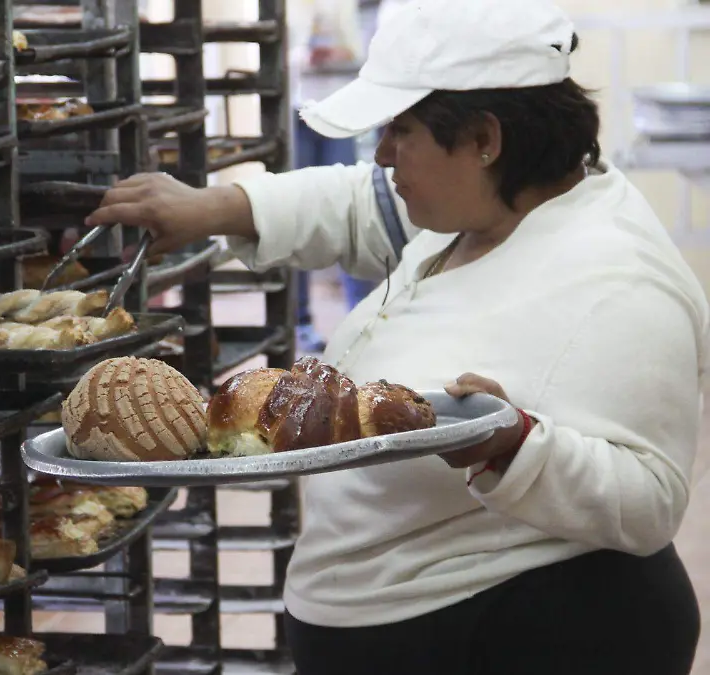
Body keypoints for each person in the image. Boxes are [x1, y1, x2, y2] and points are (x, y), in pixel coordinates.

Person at [85, 0, 707, 672]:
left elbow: (651, 501)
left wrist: (512, 445)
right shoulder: (481, 207)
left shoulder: (623, 281)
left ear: (484, 140)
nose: (381, 153)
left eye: (400, 130)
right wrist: (215, 208)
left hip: (532, 632)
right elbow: (360, 203)